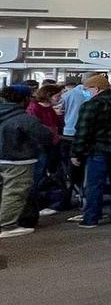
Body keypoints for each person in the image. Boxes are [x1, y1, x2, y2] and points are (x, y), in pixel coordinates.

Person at [72, 74, 111, 228]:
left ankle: (91, 217)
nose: (86, 92)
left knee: (95, 184)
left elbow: (83, 130)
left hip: (99, 149)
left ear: (96, 88)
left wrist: (77, 152)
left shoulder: (91, 105)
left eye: (88, 89)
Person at [0, 86, 53, 238]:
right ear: (25, 99)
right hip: (18, 161)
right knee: (14, 193)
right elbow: (44, 136)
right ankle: (7, 226)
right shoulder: (25, 119)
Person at [27, 84, 65, 214]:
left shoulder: (47, 108)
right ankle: (39, 204)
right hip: (41, 146)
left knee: (49, 174)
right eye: (57, 95)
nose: (59, 98)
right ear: (48, 95)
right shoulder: (35, 108)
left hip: (51, 145)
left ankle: (47, 202)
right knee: (40, 174)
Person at [59, 75, 90, 207]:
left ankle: (69, 195)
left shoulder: (68, 95)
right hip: (88, 135)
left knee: (69, 167)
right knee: (83, 167)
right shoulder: (92, 96)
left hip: (68, 132)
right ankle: (81, 192)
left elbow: (61, 110)